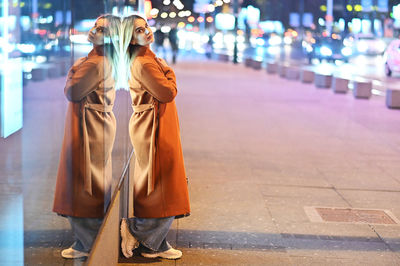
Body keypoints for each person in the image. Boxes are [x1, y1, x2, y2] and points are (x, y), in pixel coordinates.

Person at [119, 14, 190, 260]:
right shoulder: (145, 62)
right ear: (130, 36)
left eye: (146, 26)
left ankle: (154, 243)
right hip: (153, 126)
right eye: (139, 29)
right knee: (162, 183)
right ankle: (139, 231)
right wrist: (170, 72)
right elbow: (167, 92)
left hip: (155, 123)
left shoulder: (147, 58)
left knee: (161, 182)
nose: (146, 31)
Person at [52, 14, 119, 259]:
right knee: (92, 176)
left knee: (85, 179)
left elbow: (72, 91)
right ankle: (89, 237)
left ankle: (87, 242)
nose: (94, 30)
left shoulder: (93, 63)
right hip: (97, 121)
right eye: (95, 26)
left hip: (90, 124)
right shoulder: (100, 59)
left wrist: (73, 71)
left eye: (100, 28)